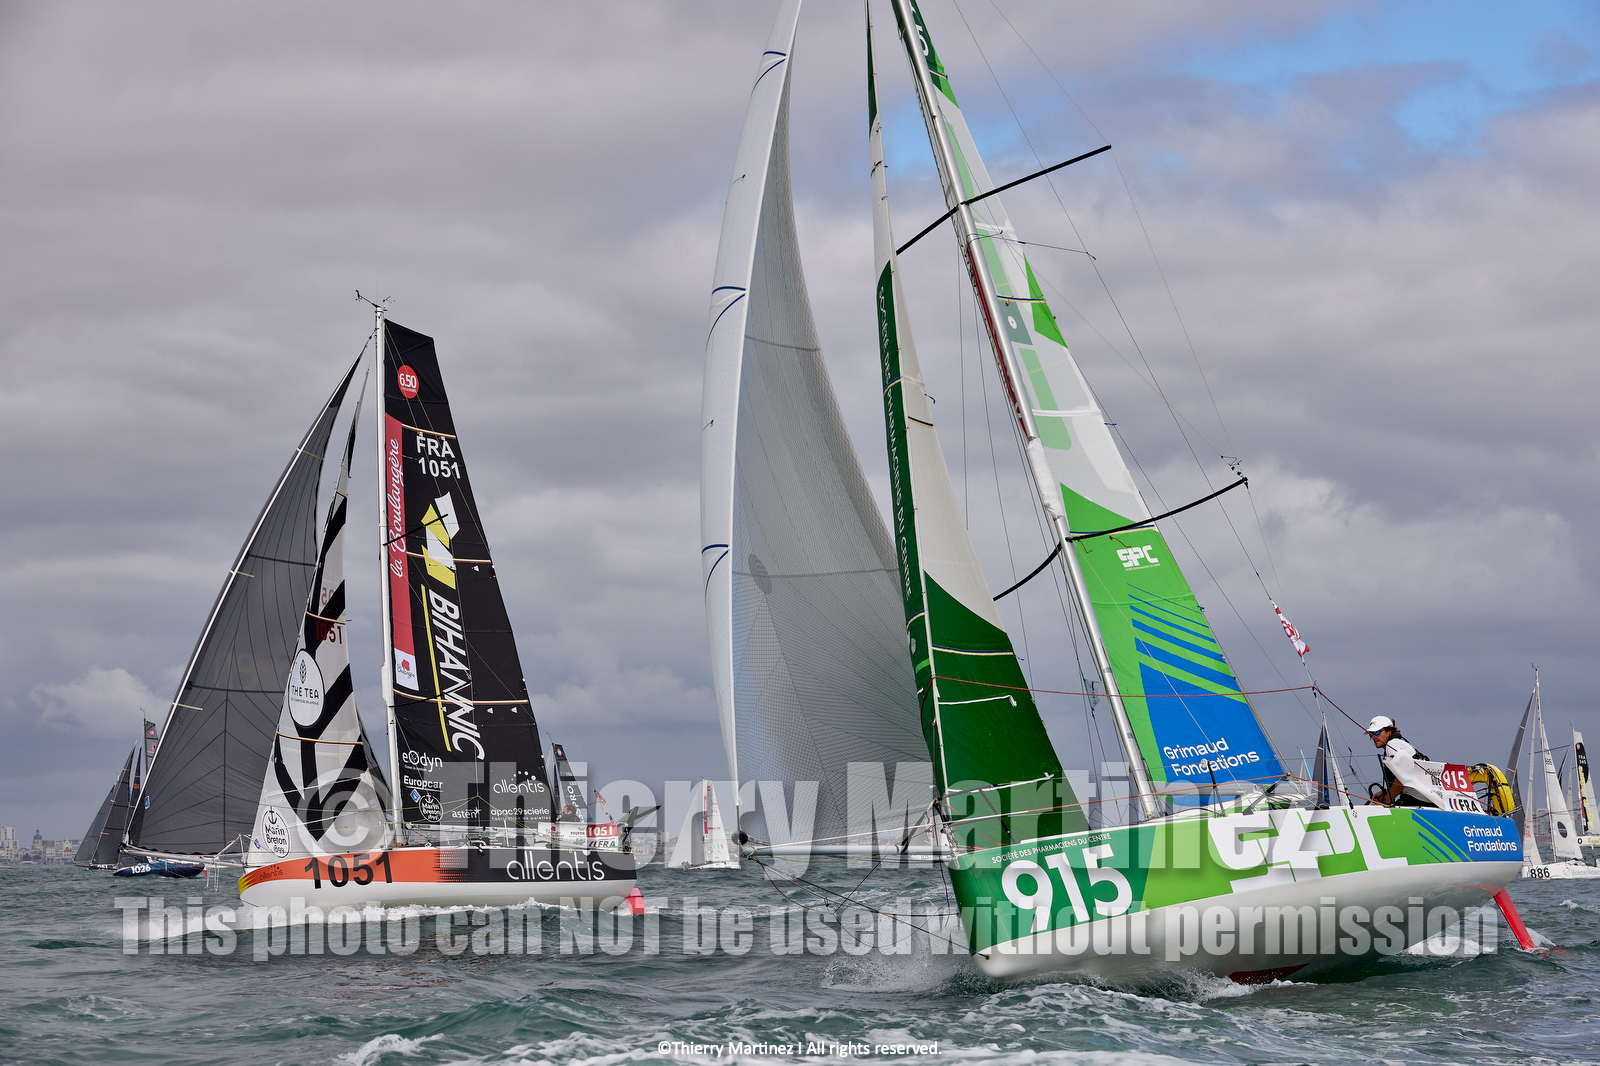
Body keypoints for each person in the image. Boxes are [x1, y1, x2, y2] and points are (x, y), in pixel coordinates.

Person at [1365, 715, 1432, 807]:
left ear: (1389, 731)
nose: (1373, 737)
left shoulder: (1392, 745)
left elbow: (1403, 777)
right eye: (1371, 734)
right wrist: (1386, 792)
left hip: (1417, 800)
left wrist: (1385, 801)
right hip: (1423, 798)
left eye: (1377, 732)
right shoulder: (1400, 742)